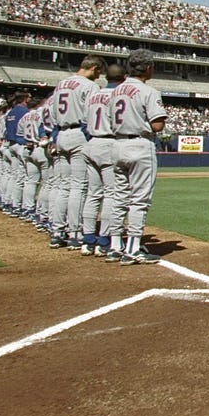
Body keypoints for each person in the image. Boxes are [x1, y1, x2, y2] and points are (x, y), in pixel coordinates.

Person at [106, 49, 166, 265]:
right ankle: (132, 249)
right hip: (140, 145)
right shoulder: (148, 91)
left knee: (119, 197)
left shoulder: (115, 91)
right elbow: (157, 124)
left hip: (117, 143)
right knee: (139, 200)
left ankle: (114, 246)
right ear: (148, 68)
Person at [48, 54, 104, 250]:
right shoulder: (89, 86)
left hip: (61, 134)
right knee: (79, 186)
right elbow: (92, 116)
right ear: (94, 68)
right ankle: (75, 232)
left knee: (64, 185)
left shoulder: (61, 84)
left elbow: (52, 115)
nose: (99, 76)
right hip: (78, 133)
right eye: (98, 72)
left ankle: (57, 231)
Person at [80, 63, 125, 257]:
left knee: (93, 194)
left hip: (92, 143)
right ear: (123, 78)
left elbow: (84, 122)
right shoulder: (119, 95)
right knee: (111, 194)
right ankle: (104, 240)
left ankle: (88, 239)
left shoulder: (94, 94)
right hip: (109, 143)